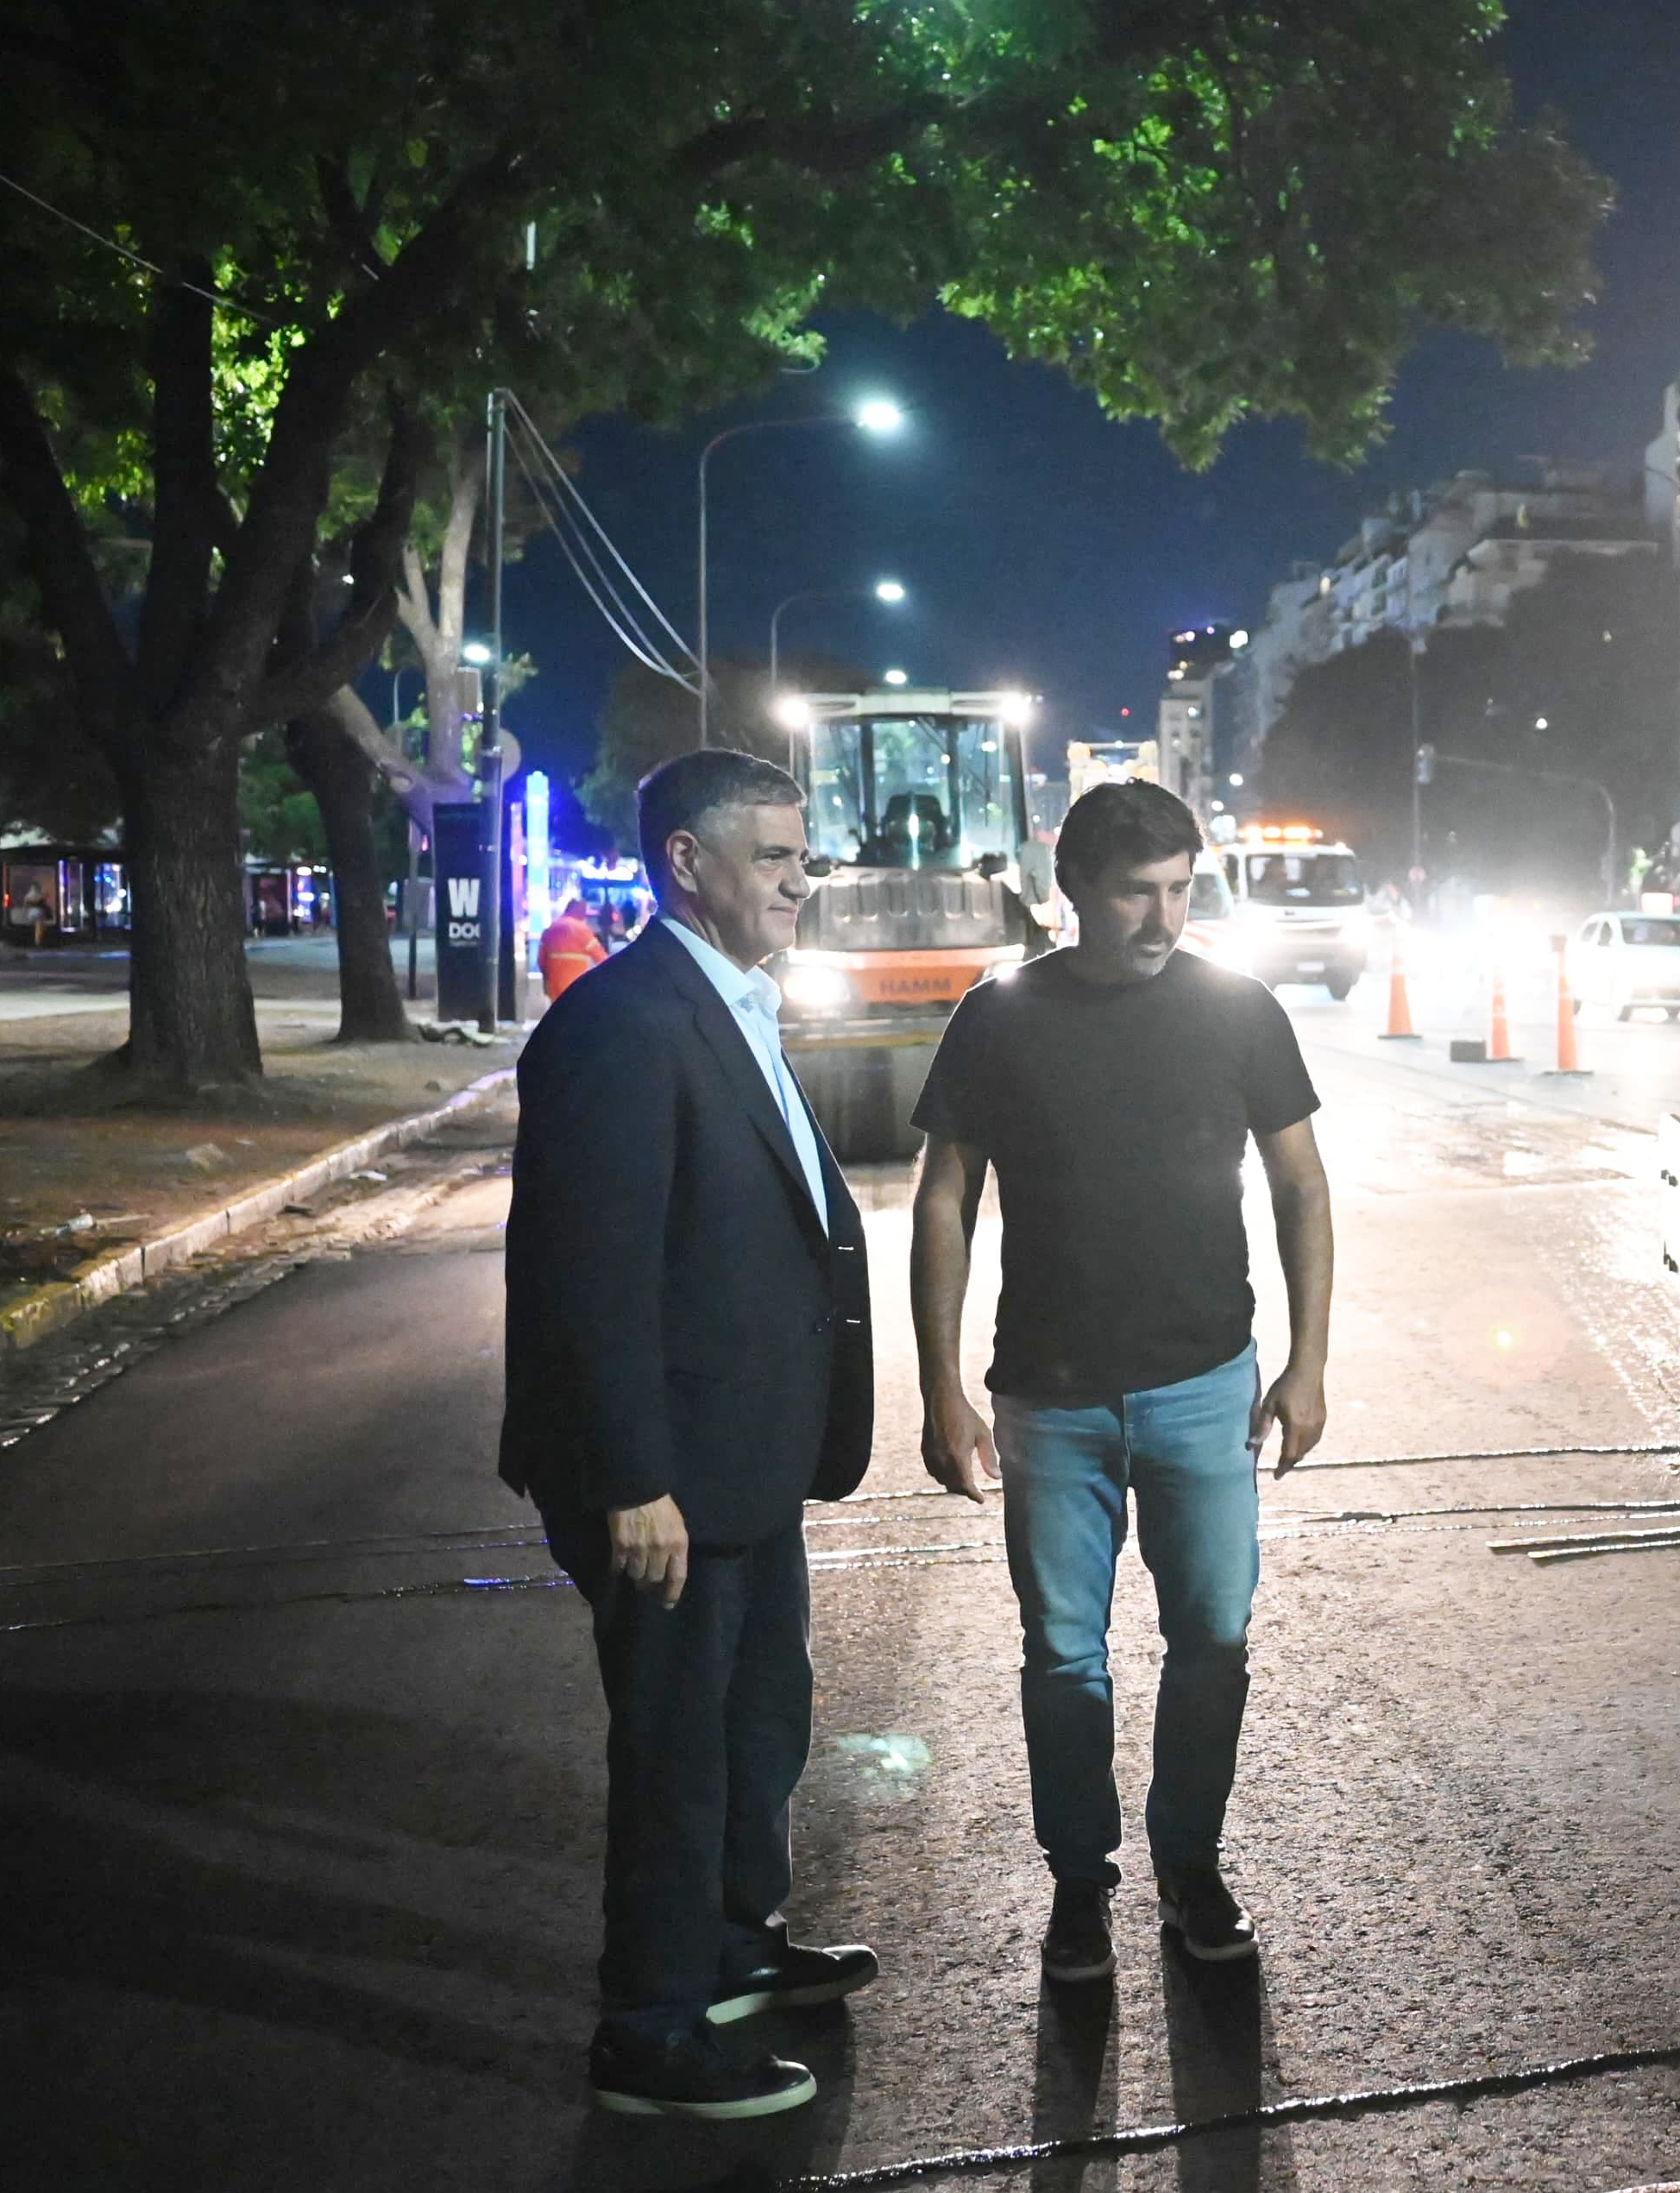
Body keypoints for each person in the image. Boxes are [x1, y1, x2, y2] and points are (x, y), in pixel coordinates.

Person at [498, 748, 879, 2119]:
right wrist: (631, 1476)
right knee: (673, 1744)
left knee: (755, 1719)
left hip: (748, 1456)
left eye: (800, 852)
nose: (799, 878)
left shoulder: (735, 1005)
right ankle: (651, 2029)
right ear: (687, 864)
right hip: (667, 1470)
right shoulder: (621, 1023)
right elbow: (584, 1275)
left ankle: (730, 1947)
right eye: (773, 854)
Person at [911, 778, 1333, 1984]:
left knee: (1215, 1639)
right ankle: (1079, 1884)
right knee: (1064, 1656)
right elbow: (946, 1197)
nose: (1164, 916)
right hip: (1049, 1396)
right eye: (1137, 892)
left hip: (1206, 1382)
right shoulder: (1000, 1016)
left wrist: (1309, 1362)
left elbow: (1302, 1182)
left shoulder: (1238, 1010)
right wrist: (942, 1389)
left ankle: (1190, 1863)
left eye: (1181, 888)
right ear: (1075, 891)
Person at [538, 895, 609, 1002]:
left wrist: (546, 978)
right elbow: (599, 956)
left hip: (554, 981)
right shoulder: (581, 928)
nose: (585, 914)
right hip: (574, 980)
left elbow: (541, 960)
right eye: (583, 911)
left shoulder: (552, 927)